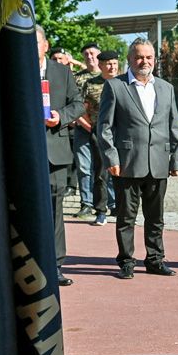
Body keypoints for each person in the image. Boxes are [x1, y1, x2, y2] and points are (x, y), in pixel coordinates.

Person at [96, 38, 178, 278]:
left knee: (156, 217)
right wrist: (111, 158)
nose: (144, 61)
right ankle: (126, 261)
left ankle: (155, 260)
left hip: (158, 162)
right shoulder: (115, 86)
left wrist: (176, 159)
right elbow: (104, 127)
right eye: (139, 57)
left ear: (154, 59)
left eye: (148, 57)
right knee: (126, 217)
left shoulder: (166, 88)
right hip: (127, 163)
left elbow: (173, 126)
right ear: (129, 60)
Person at [37, 25, 84, 287]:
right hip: (24, 151)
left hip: (55, 151)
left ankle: (55, 266)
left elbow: (77, 105)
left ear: (45, 45)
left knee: (55, 209)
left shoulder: (62, 72)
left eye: (35, 43)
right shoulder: (15, 70)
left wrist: (60, 116)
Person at [80, 50, 120, 225]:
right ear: (101, 65)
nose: (112, 67)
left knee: (124, 173)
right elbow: (81, 108)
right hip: (101, 133)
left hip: (122, 133)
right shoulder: (90, 84)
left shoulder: (125, 82)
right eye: (108, 64)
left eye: (115, 63)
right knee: (101, 174)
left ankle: (121, 209)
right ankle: (101, 211)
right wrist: (91, 127)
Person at [72, 43, 102, 218]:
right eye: (86, 54)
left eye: (93, 53)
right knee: (84, 166)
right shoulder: (78, 78)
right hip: (83, 128)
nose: (90, 57)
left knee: (105, 168)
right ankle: (86, 203)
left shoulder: (109, 75)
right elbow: (73, 105)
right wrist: (86, 125)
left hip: (104, 130)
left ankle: (110, 202)